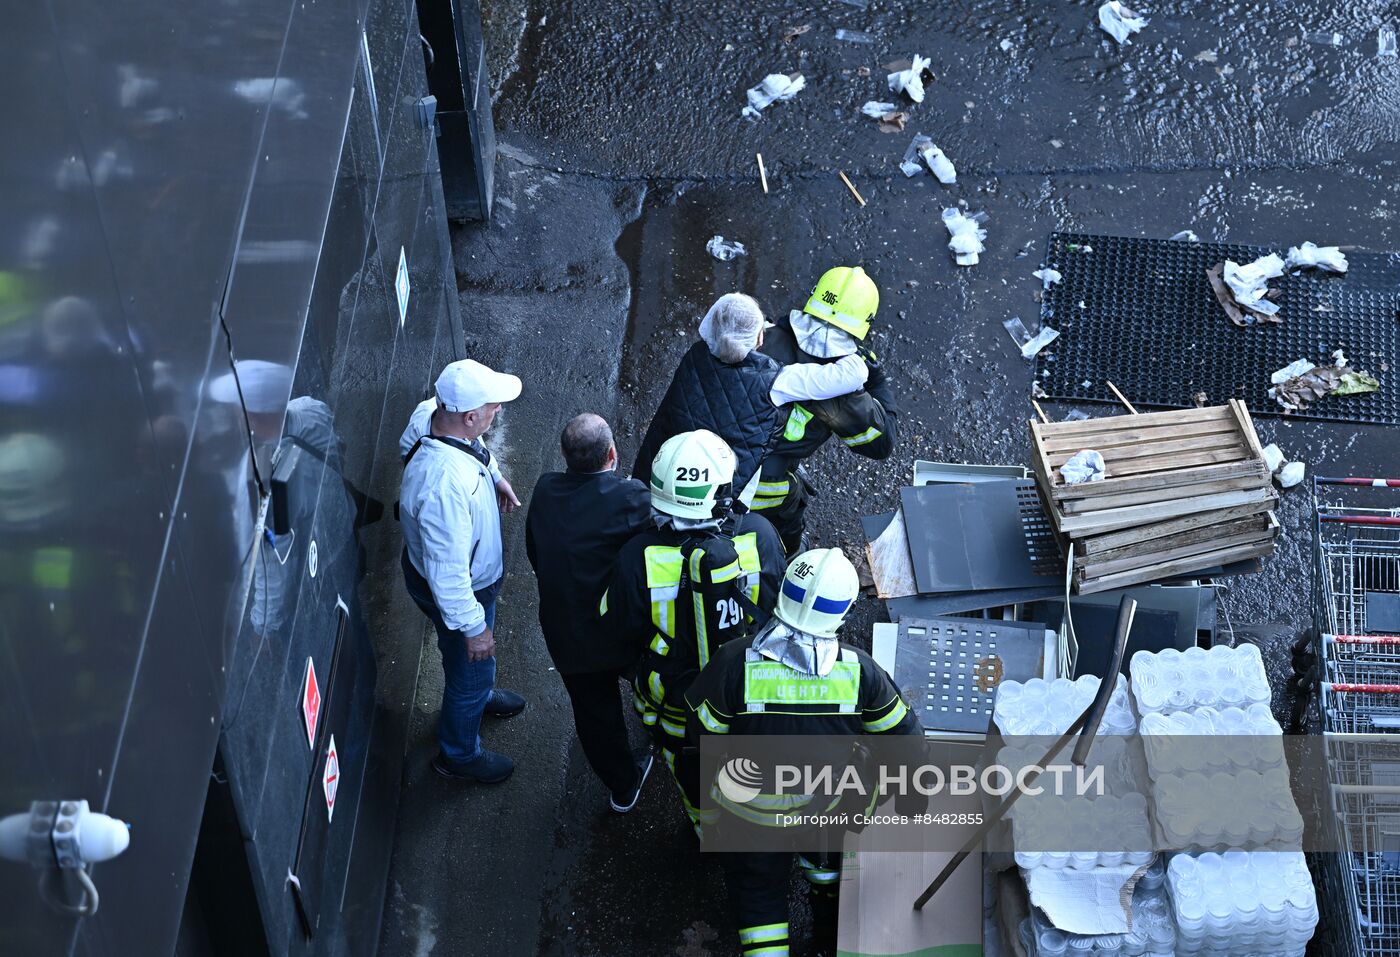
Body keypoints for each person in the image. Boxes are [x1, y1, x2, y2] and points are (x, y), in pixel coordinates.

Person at [685, 548, 920, 957]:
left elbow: (698, 746)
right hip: (824, 809)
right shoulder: (859, 671)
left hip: (748, 819)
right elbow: (906, 742)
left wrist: (706, 819)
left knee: (759, 901)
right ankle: (828, 922)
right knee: (827, 860)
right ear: (842, 614)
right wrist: (909, 803)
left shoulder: (733, 663)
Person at [605, 430, 785, 831]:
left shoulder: (638, 555)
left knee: (690, 773)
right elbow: (777, 611)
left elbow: (617, 630)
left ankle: (706, 829)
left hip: (672, 700)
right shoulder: (759, 534)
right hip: (748, 691)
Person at [399, 359, 526, 784]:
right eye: (493, 407)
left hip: (453, 580)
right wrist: (474, 628)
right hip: (462, 591)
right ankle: (458, 755)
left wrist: (494, 476)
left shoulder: (432, 415)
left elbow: (472, 446)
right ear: (470, 416)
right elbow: (449, 577)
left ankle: (477, 691)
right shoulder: (442, 490)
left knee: (464, 663)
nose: (498, 412)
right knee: (471, 668)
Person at [524, 413, 656, 812]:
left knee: (595, 716)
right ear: (613, 453)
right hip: (623, 629)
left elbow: (535, 552)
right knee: (652, 681)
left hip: (569, 634)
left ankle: (623, 787)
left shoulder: (546, 489)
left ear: (564, 455)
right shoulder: (630, 497)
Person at [631, 293, 870, 508]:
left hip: (654, 477)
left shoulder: (695, 355)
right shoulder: (776, 382)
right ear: (759, 340)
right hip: (715, 500)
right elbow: (853, 374)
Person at [752, 266, 899, 553]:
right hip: (760, 481)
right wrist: (876, 380)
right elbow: (882, 442)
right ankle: (789, 553)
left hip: (711, 455)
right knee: (790, 503)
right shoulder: (836, 381)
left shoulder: (761, 335)